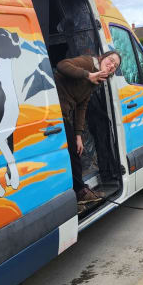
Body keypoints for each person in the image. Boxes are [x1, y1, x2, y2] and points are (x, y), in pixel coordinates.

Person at [54, 50, 121, 203]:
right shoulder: (88, 63)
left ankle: (74, 194)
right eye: (110, 60)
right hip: (53, 108)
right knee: (73, 153)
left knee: (75, 150)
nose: (111, 66)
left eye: (115, 66)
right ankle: (80, 192)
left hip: (64, 113)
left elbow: (82, 105)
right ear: (103, 57)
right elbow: (61, 65)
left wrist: (79, 135)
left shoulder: (98, 79)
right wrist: (88, 75)